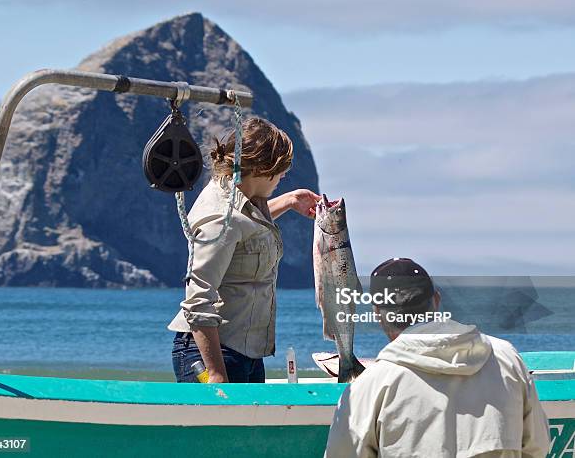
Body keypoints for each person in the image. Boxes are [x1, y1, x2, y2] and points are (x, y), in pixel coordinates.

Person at [324, 258, 551, 458]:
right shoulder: (505, 359)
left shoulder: (371, 386)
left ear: (377, 312)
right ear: (436, 300)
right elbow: (537, 446)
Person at [168, 117, 320, 383]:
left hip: (245, 352)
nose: (284, 175)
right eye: (282, 169)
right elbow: (198, 299)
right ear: (263, 168)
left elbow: (244, 231)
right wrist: (216, 374)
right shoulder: (220, 218)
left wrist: (288, 201)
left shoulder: (240, 201)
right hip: (214, 355)